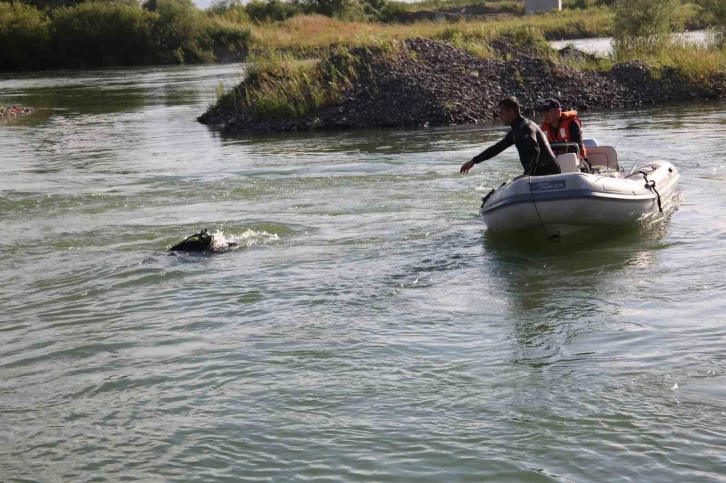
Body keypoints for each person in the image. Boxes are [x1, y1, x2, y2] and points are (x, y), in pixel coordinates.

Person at [460, 97, 560, 177]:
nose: (500, 116)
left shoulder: (526, 128)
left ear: (511, 112)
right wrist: (474, 161)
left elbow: (535, 150)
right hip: (538, 175)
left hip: (550, 174)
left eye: (502, 113)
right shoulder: (516, 131)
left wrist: (527, 174)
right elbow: (497, 148)